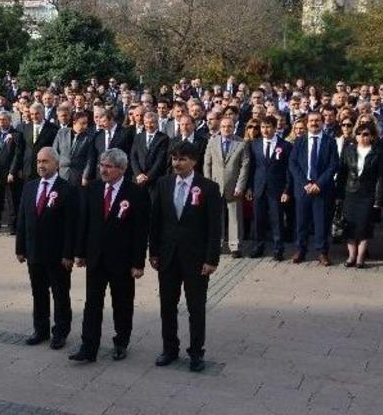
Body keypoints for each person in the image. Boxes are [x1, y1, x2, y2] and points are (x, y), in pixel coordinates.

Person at [69, 148, 149, 363]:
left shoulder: (136, 193)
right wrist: (79, 252)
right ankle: (88, 347)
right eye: (101, 165)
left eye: (108, 166)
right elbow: (83, 222)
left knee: (122, 304)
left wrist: (138, 263)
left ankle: (121, 342)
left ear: (122, 169)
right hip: (95, 257)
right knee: (92, 304)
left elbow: (140, 232)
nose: (103, 170)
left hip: (122, 261)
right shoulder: (93, 188)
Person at [149, 142, 222, 372]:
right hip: (168, 257)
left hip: (196, 259)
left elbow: (214, 227)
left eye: (181, 159)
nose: (176, 163)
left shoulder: (208, 188)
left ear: (193, 161)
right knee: (167, 306)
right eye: (174, 159)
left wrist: (211, 259)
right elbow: (156, 221)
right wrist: (154, 252)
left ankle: (196, 353)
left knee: (196, 308)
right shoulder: (163, 183)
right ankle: (169, 348)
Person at [15, 147, 77, 350]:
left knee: (60, 294)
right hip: (34, 251)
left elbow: (70, 225)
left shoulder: (66, 189)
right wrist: (20, 247)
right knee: (38, 292)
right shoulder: (30, 187)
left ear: (56, 164)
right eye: (38, 162)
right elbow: (23, 219)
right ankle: (40, 329)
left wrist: (69, 253)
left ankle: (60, 332)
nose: (41, 165)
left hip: (57, 254)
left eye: (45, 161)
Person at [288, 111, 340, 265]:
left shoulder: (330, 141)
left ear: (322, 122)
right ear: (307, 123)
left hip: (322, 188)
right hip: (303, 188)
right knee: (301, 221)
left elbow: (333, 165)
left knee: (321, 222)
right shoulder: (300, 141)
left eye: (317, 120)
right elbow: (293, 163)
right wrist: (305, 183)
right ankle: (301, 250)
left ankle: (322, 252)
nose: (314, 123)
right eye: (311, 121)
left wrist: (319, 184)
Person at [338, 122, 383, 268]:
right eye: (359, 134)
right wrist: (339, 194)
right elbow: (342, 173)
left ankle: (360, 257)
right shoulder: (349, 150)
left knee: (364, 226)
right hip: (350, 193)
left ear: (372, 136)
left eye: (365, 134)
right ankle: (351, 256)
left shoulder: (378, 153)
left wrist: (378, 199)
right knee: (350, 226)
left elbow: (380, 178)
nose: (361, 137)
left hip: (367, 194)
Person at [203, 116, 251, 257]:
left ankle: (235, 246)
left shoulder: (241, 143)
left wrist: (240, 186)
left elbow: (245, 166)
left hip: (234, 186)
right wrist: (208, 184)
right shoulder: (212, 142)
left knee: (235, 216)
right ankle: (217, 244)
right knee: (216, 217)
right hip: (215, 185)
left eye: (229, 126)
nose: (226, 129)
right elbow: (207, 164)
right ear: (219, 127)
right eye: (223, 126)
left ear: (233, 127)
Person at [247, 115, 292, 260]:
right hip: (259, 186)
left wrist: (286, 189)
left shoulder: (285, 146)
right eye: (263, 127)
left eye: (268, 127)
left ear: (274, 128)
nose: (265, 130)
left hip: (276, 188)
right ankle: (258, 246)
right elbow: (251, 168)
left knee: (277, 219)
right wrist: (249, 187)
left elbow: (288, 170)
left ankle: (278, 248)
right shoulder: (255, 144)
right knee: (259, 218)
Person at [130, 112, 169, 198]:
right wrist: (138, 174)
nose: (149, 125)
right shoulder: (138, 137)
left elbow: (160, 160)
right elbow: (133, 157)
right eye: (146, 122)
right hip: (138, 180)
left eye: (152, 122)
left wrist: (148, 177)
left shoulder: (163, 138)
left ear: (157, 123)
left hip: (154, 180)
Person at [53, 111, 94, 187]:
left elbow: (89, 159)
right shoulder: (62, 133)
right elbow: (55, 151)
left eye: (86, 123)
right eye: (82, 123)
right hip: (61, 173)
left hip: (77, 175)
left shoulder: (88, 138)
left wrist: (85, 177)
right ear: (74, 122)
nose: (85, 126)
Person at [20, 103, 59, 181]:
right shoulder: (25, 128)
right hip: (27, 169)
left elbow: (55, 149)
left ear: (43, 113)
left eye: (37, 114)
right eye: (32, 114)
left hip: (45, 168)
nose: (34, 117)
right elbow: (22, 149)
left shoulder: (53, 129)